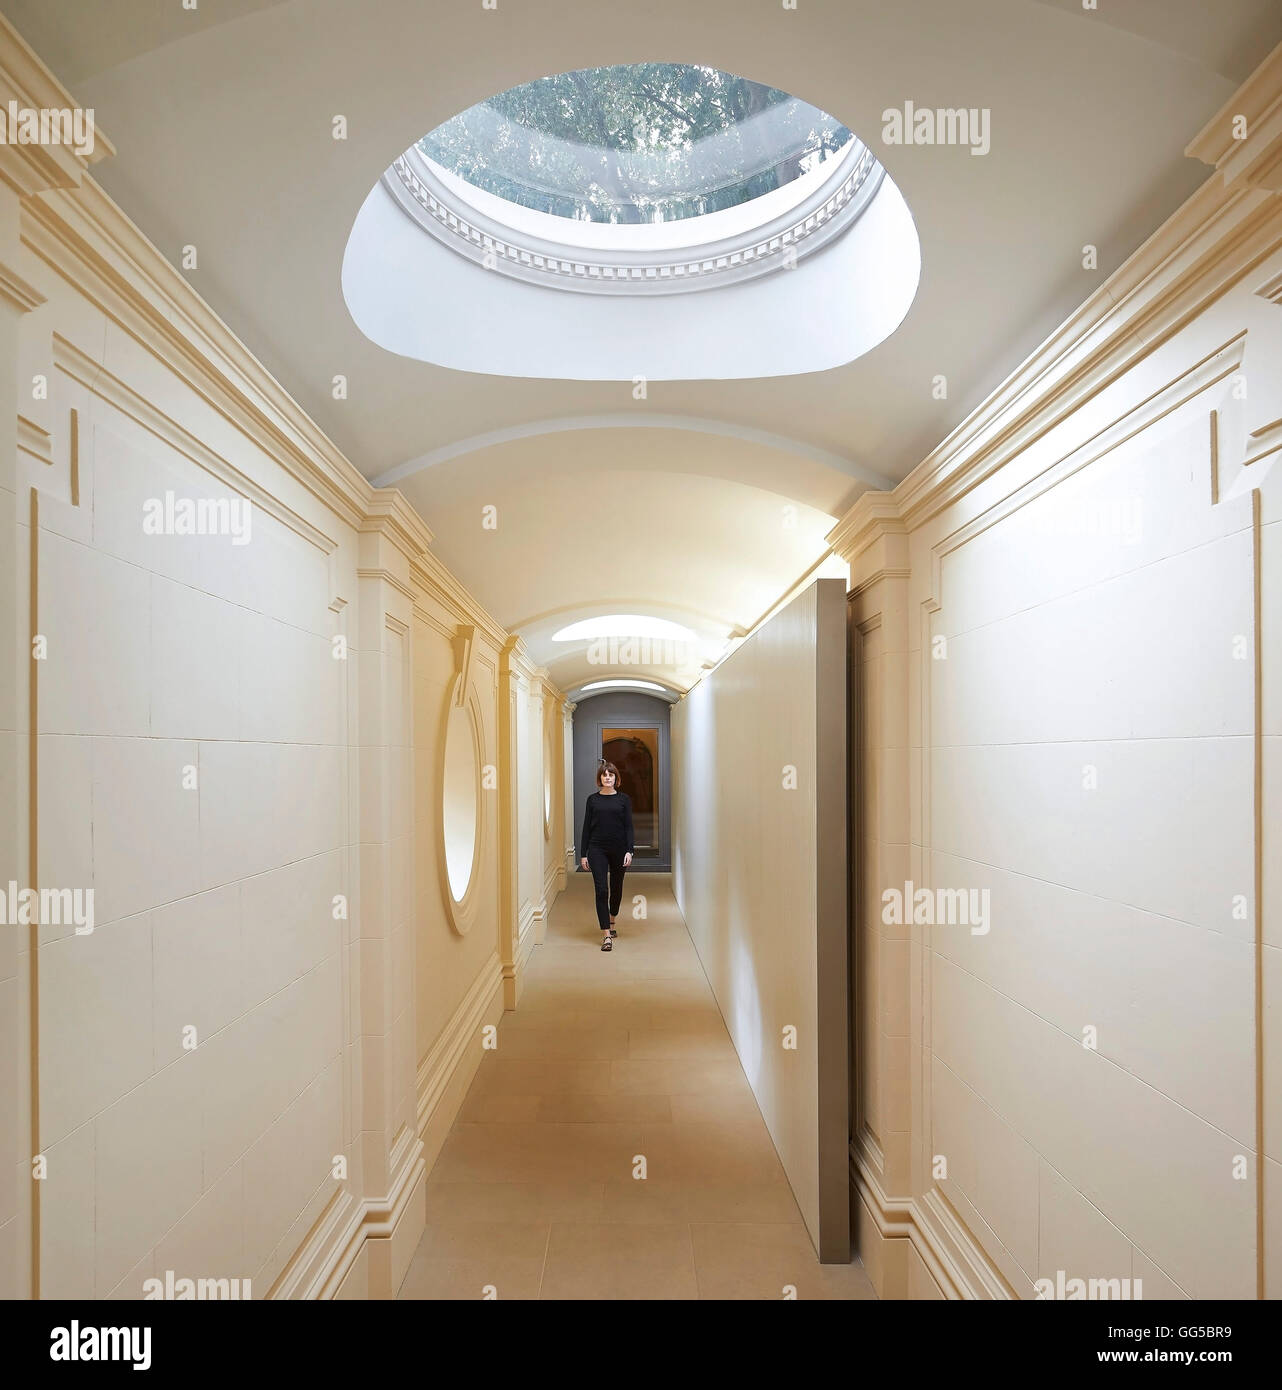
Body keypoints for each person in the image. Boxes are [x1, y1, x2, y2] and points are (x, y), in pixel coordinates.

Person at [579, 761, 634, 952]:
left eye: (611, 775)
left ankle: (612, 919)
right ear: (600, 779)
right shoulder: (592, 800)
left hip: (619, 849)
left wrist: (629, 850)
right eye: (604, 775)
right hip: (597, 849)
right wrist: (583, 854)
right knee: (602, 890)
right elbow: (586, 827)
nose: (608, 777)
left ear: (616, 778)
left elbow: (629, 827)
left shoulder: (624, 799)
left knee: (616, 888)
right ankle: (606, 935)